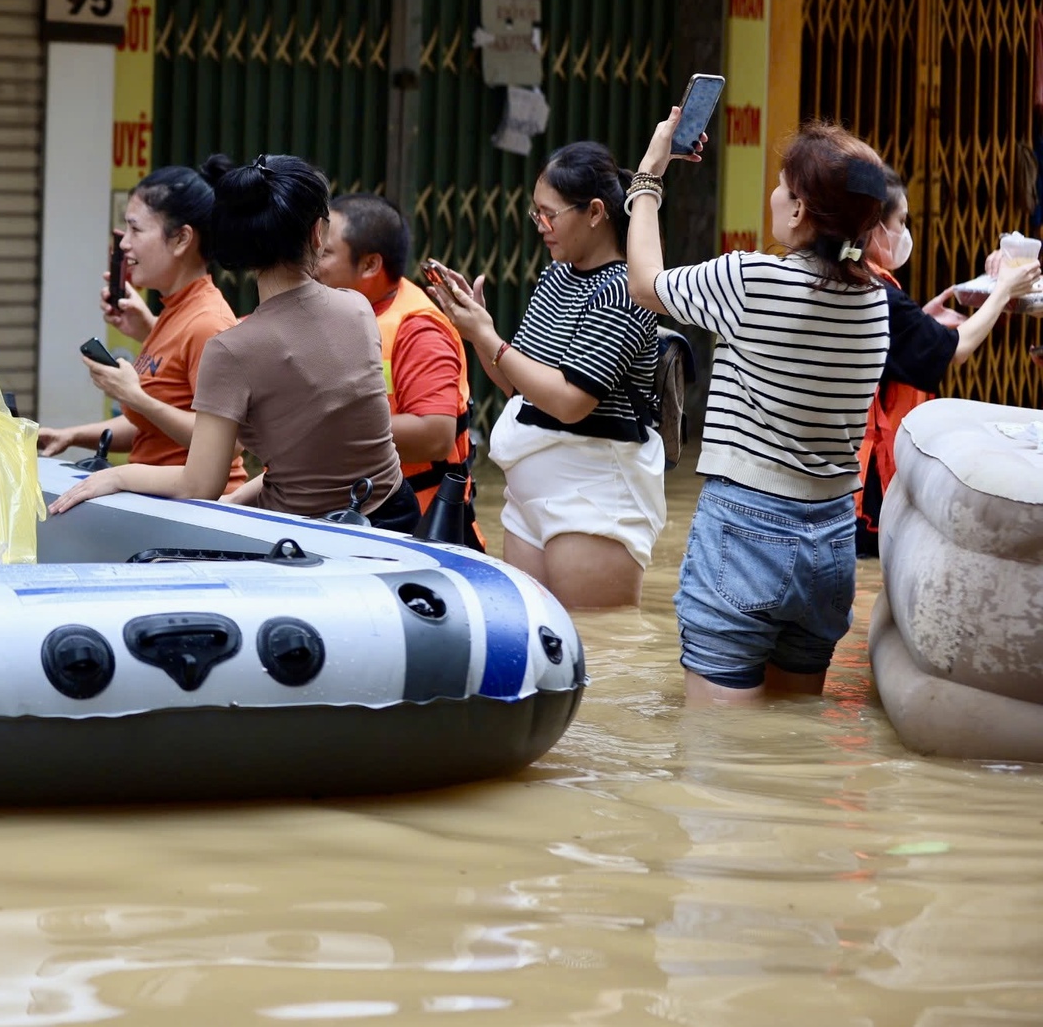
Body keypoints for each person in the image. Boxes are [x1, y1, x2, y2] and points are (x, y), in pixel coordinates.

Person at [626, 115, 890, 704]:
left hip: (745, 526)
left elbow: (645, 284)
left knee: (720, 752)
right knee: (786, 745)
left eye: (780, 184)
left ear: (798, 210)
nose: (772, 194)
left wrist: (649, 175)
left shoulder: (751, 280)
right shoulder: (877, 305)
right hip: (831, 539)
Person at [49, 154, 406, 524]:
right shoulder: (359, 309)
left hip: (307, 536)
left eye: (136, 230)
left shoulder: (232, 349)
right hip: (394, 514)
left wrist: (115, 475)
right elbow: (318, 454)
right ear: (318, 233)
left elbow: (200, 482)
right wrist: (235, 501)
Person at [428, 143, 664, 608]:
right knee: (532, 638)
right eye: (537, 215)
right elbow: (523, 387)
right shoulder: (556, 277)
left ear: (595, 212)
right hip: (530, 493)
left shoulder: (626, 290)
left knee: (603, 652)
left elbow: (571, 402)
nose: (542, 227)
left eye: (549, 214)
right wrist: (478, 333)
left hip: (592, 494)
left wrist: (489, 338)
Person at [852, 167, 1039, 553]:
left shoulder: (854, 278)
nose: (905, 233)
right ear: (873, 226)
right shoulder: (878, 293)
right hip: (862, 470)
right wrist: (1002, 291)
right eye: (901, 221)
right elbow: (956, 350)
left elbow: (891, 342)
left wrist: (922, 320)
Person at [36, 166, 245, 495]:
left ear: (181, 239)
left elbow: (228, 443)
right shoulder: (173, 312)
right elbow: (156, 427)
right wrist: (73, 435)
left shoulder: (208, 322)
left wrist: (134, 396)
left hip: (195, 516)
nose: (125, 247)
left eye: (135, 230)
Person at [316, 192, 483, 547]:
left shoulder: (418, 329)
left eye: (325, 252)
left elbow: (435, 434)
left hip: (417, 533)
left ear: (370, 265)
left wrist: (320, 427)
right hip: (355, 515)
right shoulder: (331, 312)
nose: (312, 260)